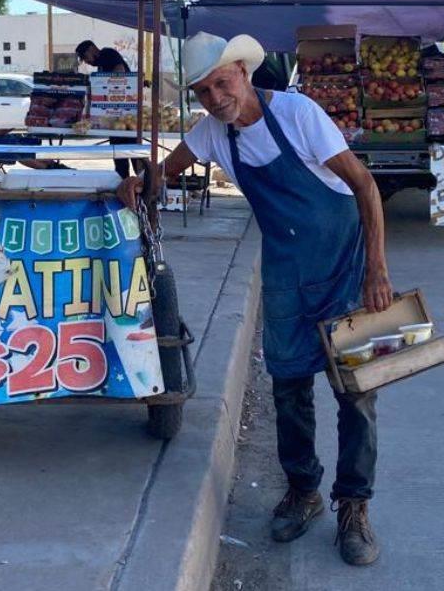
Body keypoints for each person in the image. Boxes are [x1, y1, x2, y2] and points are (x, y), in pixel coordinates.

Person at [117, 33, 393, 567]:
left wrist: (377, 271)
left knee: (357, 392)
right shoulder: (213, 133)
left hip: (344, 269)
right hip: (288, 276)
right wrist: (138, 183)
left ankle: (354, 506)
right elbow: (162, 174)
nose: (215, 97)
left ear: (243, 71)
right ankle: (303, 490)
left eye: (222, 83)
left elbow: (365, 186)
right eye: (202, 91)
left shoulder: (298, 114)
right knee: (289, 389)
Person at [75, 40, 140, 179]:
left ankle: (148, 188)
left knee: (135, 156)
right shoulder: (101, 66)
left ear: (92, 49)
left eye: (86, 58)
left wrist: (104, 83)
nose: (87, 62)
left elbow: (120, 73)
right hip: (113, 119)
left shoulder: (107, 54)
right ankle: (126, 185)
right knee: (119, 158)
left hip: (125, 116)